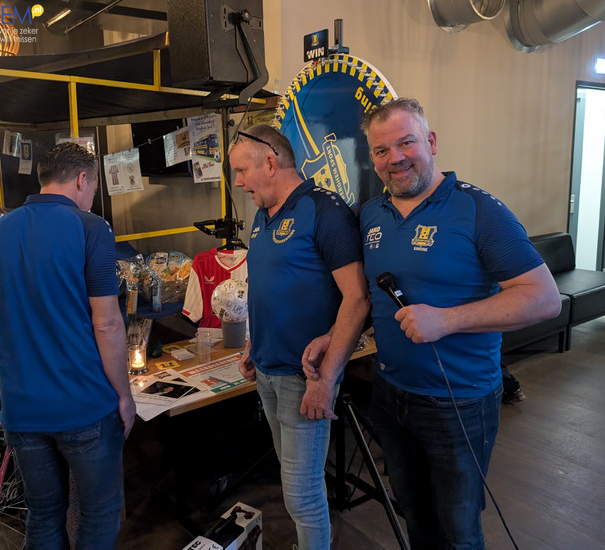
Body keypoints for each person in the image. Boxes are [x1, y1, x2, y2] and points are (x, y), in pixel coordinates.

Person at [358, 98, 560, 549]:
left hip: (459, 404)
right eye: (382, 150)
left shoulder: (479, 210)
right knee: (414, 515)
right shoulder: (371, 214)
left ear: (430, 142)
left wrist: (447, 320)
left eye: (406, 143)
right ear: (372, 157)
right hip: (389, 394)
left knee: (458, 532)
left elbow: (544, 299)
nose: (396, 158)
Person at [0, 142, 136, 549]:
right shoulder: (91, 228)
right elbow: (108, 323)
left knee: (43, 514)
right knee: (98, 513)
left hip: (22, 409)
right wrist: (124, 395)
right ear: (82, 179)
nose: (91, 197)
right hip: (85, 404)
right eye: (93, 188)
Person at [229, 125, 369, 549]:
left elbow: (357, 298)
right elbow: (271, 287)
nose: (238, 182)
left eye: (241, 171)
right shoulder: (263, 214)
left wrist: (325, 379)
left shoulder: (325, 211)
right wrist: (255, 344)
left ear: (271, 163)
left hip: (303, 378)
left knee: (302, 495)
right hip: (266, 371)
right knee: (293, 483)